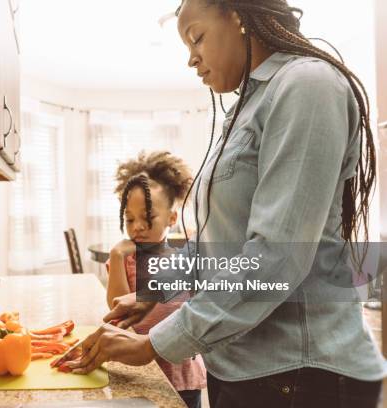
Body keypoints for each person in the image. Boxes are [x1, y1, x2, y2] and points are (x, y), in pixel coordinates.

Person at [66, 1, 387, 406]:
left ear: (237, 17)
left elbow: (275, 257)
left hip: (299, 376)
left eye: (196, 37)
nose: (190, 59)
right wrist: (158, 289)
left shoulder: (307, 84)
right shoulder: (246, 107)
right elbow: (223, 245)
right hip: (243, 367)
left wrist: (155, 344)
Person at [106, 151, 205, 408]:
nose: (136, 226)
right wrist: (117, 256)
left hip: (182, 375)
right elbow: (115, 309)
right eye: (129, 218)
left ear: (172, 219)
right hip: (139, 369)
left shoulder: (184, 263)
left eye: (147, 218)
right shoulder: (125, 261)